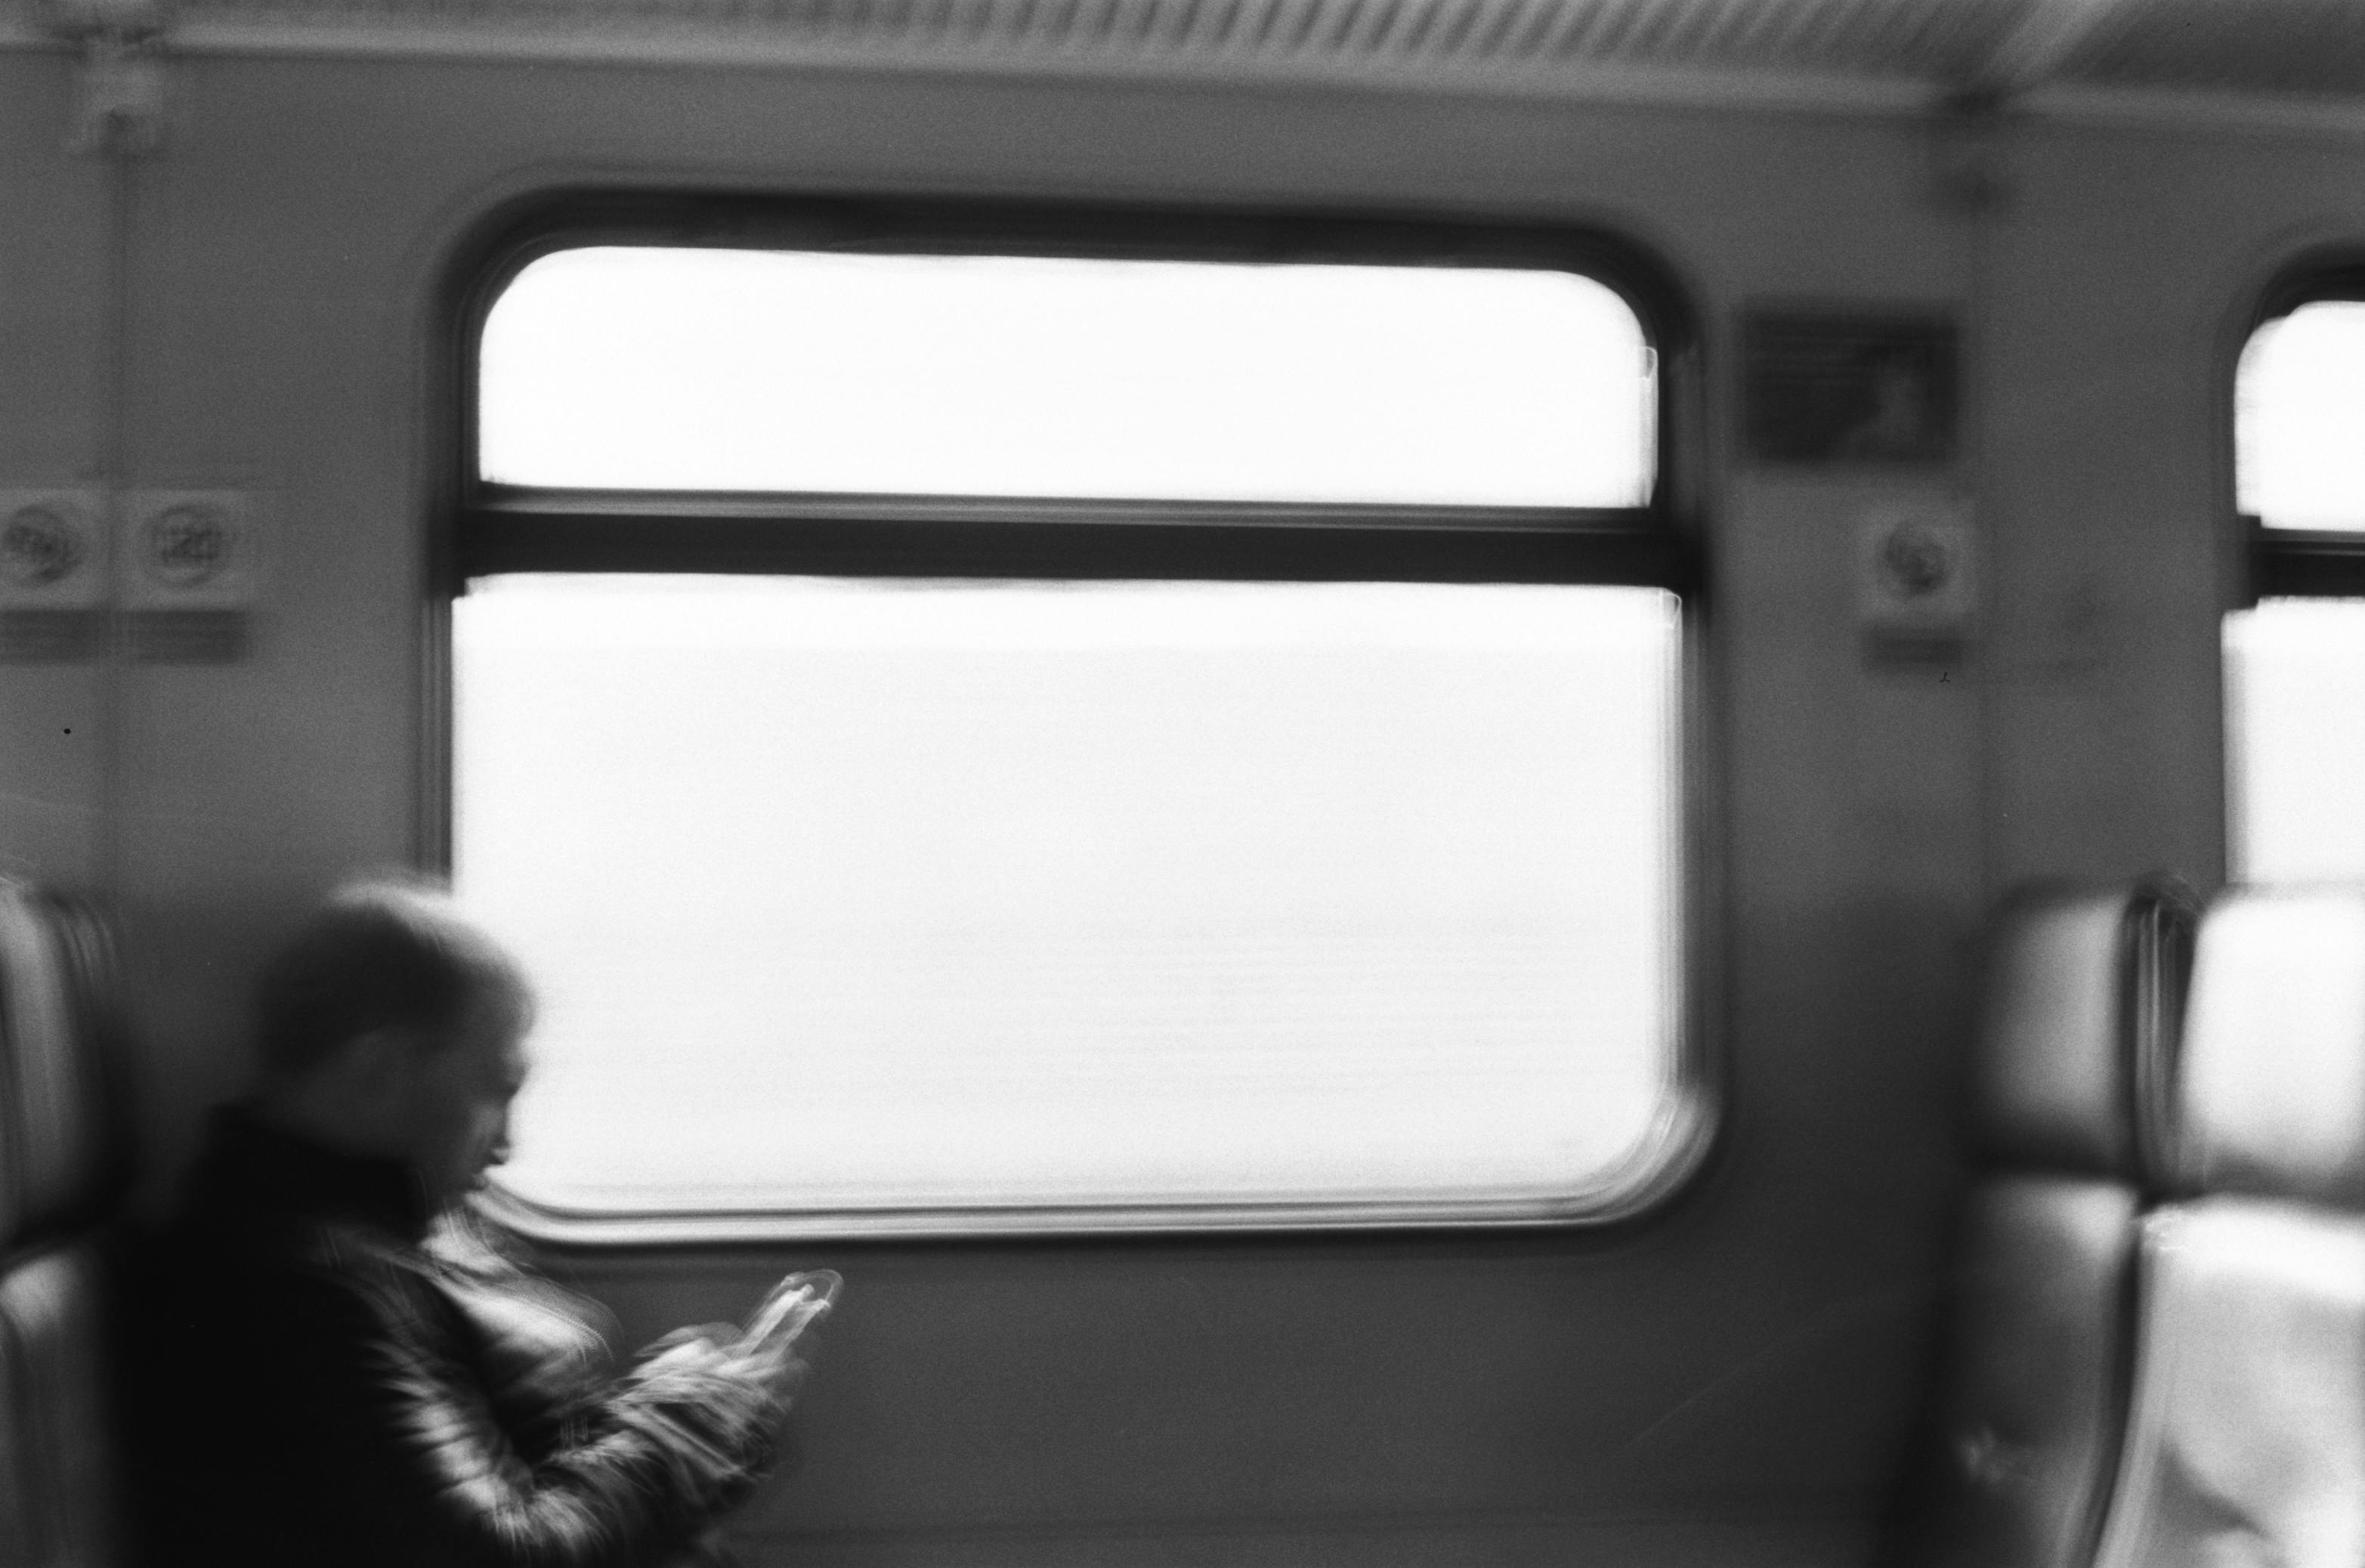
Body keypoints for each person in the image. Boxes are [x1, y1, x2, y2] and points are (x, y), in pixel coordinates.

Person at [116, 879, 827, 1568]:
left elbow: (531, 1473)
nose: (507, 1145)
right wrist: (687, 1419)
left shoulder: (402, 1236)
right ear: (380, 1070)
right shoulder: (303, 1286)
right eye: (497, 1088)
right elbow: (487, 1556)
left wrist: (715, 1410)